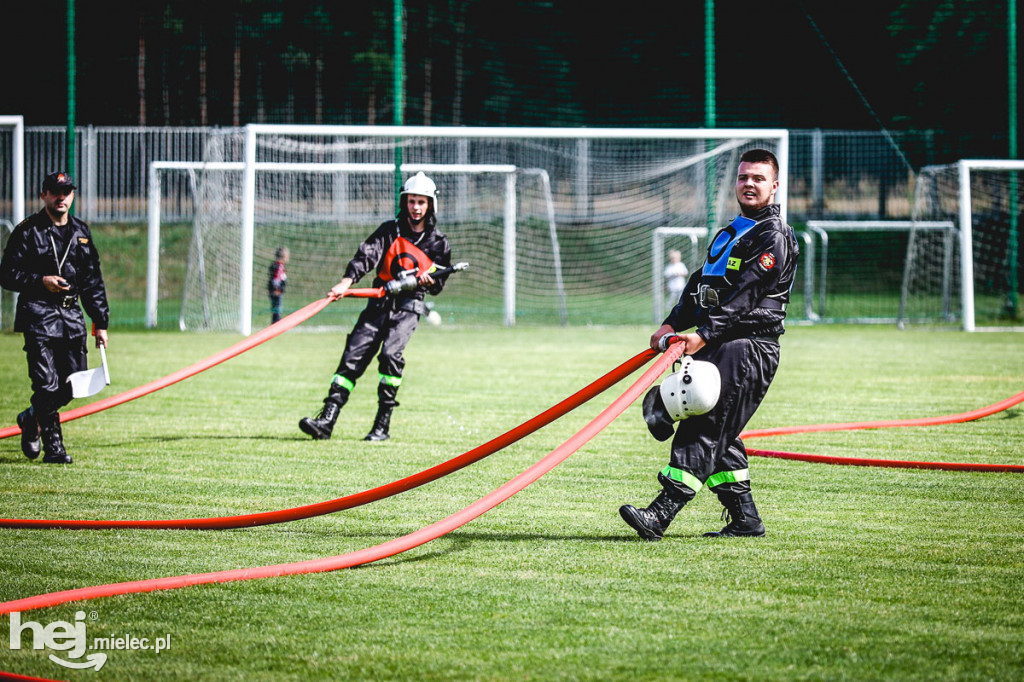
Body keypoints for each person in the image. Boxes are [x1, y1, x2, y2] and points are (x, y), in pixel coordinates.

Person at [619, 149, 799, 540]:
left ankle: (660, 514)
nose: (749, 184)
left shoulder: (775, 235)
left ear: (775, 186)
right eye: (743, 177)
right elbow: (701, 285)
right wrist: (672, 322)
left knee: (705, 423)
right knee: (722, 430)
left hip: (749, 346)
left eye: (758, 178)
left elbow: (747, 296)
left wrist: (701, 335)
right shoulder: (732, 232)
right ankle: (745, 519)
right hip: (719, 342)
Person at [299, 172, 452, 442]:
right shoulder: (389, 231)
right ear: (405, 202)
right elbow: (366, 255)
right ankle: (327, 421)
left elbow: (438, 285)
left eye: (421, 202)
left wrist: (427, 283)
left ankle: (382, 426)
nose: (415, 208)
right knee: (351, 358)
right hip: (378, 304)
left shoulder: (438, 243)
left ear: (430, 205)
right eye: (411, 201)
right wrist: (347, 282)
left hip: (408, 308)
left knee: (391, 356)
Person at [0, 171, 110, 464]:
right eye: (55, 192)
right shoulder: (27, 231)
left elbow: (92, 281)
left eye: (66, 192)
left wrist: (100, 322)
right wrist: (40, 281)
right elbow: (7, 274)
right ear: (44, 195)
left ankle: (31, 417)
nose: (61, 197)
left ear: (72, 196)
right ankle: (54, 448)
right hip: (38, 314)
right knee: (46, 384)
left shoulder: (81, 233)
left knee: (74, 383)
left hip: (72, 316)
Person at [268, 246, 289, 324]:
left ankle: (275, 324)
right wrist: (277, 289)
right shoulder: (279, 266)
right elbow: (277, 279)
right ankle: (276, 325)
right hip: (276, 291)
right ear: (284, 256)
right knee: (277, 309)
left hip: (274, 290)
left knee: (275, 309)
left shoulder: (276, 265)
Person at [663, 249, 689, 314]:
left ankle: (679, 308)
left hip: (680, 285)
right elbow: (666, 274)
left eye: (676, 258)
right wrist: (673, 274)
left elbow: (685, 272)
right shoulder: (669, 266)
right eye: (673, 258)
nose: (674, 260)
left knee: (680, 297)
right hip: (672, 286)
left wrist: (681, 274)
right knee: (672, 297)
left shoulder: (681, 265)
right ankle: (668, 307)